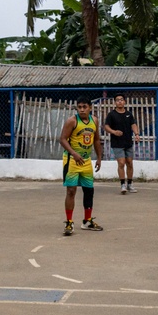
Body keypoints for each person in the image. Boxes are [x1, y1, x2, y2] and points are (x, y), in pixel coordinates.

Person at [60, 96, 104, 235]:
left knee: (89, 190)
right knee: (71, 190)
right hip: (72, 160)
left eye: (85, 107)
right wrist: (73, 153)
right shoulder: (72, 121)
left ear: (90, 108)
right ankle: (69, 222)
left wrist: (99, 158)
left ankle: (87, 220)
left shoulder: (94, 121)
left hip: (86, 161)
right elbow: (62, 139)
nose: (82, 109)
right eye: (79, 107)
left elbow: (96, 139)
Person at [103, 93, 140, 194]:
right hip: (117, 143)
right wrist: (114, 132)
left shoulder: (129, 114)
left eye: (121, 99)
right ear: (115, 102)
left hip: (128, 142)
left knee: (129, 163)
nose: (120, 101)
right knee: (121, 163)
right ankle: (122, 184)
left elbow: (133, 124)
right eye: (117, 100)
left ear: (124, 101)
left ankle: (130, 183)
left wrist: (136, 134)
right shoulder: (112, 115)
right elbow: (106, 126)